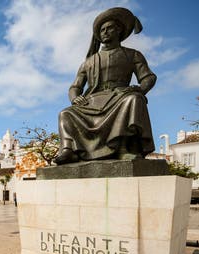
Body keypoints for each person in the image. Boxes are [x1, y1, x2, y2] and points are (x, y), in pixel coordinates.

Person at [54, 7, 157, 165]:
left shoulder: (132, 54)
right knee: (65, 113)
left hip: (120, 96)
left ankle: (123, 148)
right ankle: (69, 150)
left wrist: (140, 89)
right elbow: (75, 86)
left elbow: (148, 77)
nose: (105, 32)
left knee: (134, 99)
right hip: (93, 101)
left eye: (109, 28)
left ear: (119, 30)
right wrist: (75, 98)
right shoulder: (89, 61)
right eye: (102, 29)